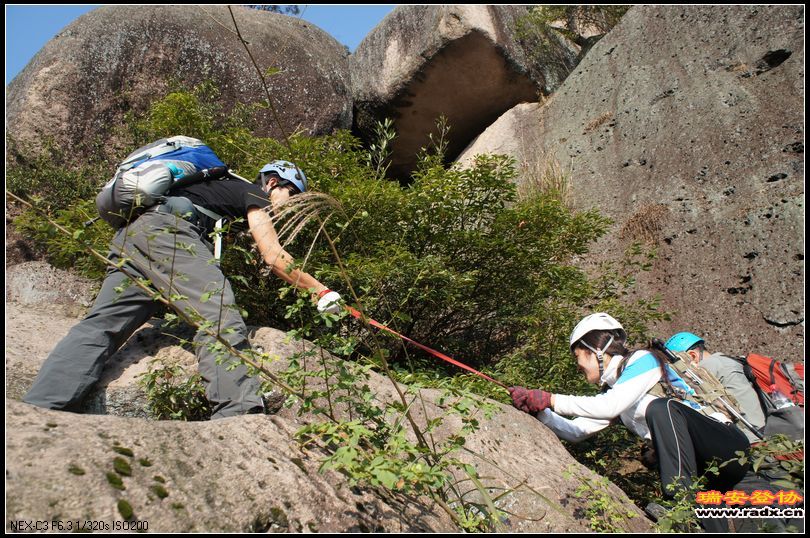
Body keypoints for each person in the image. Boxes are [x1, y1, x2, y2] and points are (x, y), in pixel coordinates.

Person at [24, 159, 342, 419]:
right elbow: (273, 256)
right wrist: (320, 291)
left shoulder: (209, 187)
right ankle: (239, 416)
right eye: (292, 195)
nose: (289, 206)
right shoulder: (251, 193)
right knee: (217, 311)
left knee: (100, 327)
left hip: (133, 235)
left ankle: (40, 407)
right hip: (169, 235)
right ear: (273, 183)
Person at [509, 313, 751, 532]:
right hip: (704, 468)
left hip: (728, 445)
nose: (577, 365)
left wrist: (550, 399)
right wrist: (539, 411)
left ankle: (680, 504)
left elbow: (609, 406)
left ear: (596, 349)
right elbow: (576, 430)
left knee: (662, 408)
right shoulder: (619, 392)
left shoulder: (644, 360)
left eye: (578, 356)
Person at [665, 332, 766, 443]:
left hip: (751, 439)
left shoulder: (707, 367)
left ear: (692, 356)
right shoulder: (728, 360)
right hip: (763, 431)